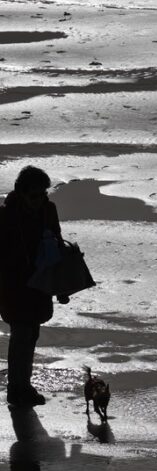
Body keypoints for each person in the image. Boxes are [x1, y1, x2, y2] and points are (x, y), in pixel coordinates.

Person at [0, 166, 69, 407]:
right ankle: (17, 389)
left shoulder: (48, 210)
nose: (39, 200)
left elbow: (58, 243)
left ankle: (23, 386)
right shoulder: (6, 216)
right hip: (14, 284)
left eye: (42, 194)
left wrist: (62, 286)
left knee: (31, 333)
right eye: (34, 195)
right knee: (22, 334)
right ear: (20, 192)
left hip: (40, 281)